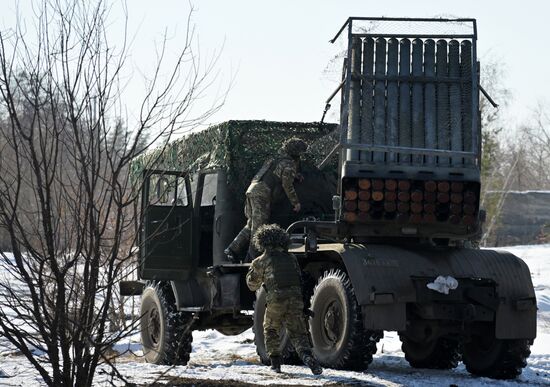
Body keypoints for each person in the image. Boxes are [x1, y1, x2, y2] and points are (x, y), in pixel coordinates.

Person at [246, 224, 323, 375]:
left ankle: (275, 364)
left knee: (271, 329)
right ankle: (309, 359)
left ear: (262, 242)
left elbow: (252, 285)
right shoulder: (291, 258)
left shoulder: (261, 260)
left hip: (276, 300)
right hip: (295, 300)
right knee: (298, 333)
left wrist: (250, 275)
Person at [224, 137, 307, 262]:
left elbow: (276, 173)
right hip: (262, 194)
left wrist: (295, 175)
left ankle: (232, 249)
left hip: (252, 190)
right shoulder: (289, 163)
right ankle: (252, 259)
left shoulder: (275, 159)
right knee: (259, 228)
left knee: (251, 224)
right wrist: (296, 203)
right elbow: (287, 184)